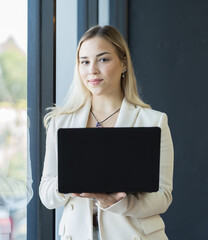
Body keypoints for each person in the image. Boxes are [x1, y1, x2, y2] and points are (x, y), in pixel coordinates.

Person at [39, 25, 174, 240]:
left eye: (103, 59)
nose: (92, 69)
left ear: (123, 63)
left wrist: (118, 202)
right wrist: (68, 182)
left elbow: (163, 197)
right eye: (84, 61)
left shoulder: (153, 121)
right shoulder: (61, 122)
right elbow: (46, 194)